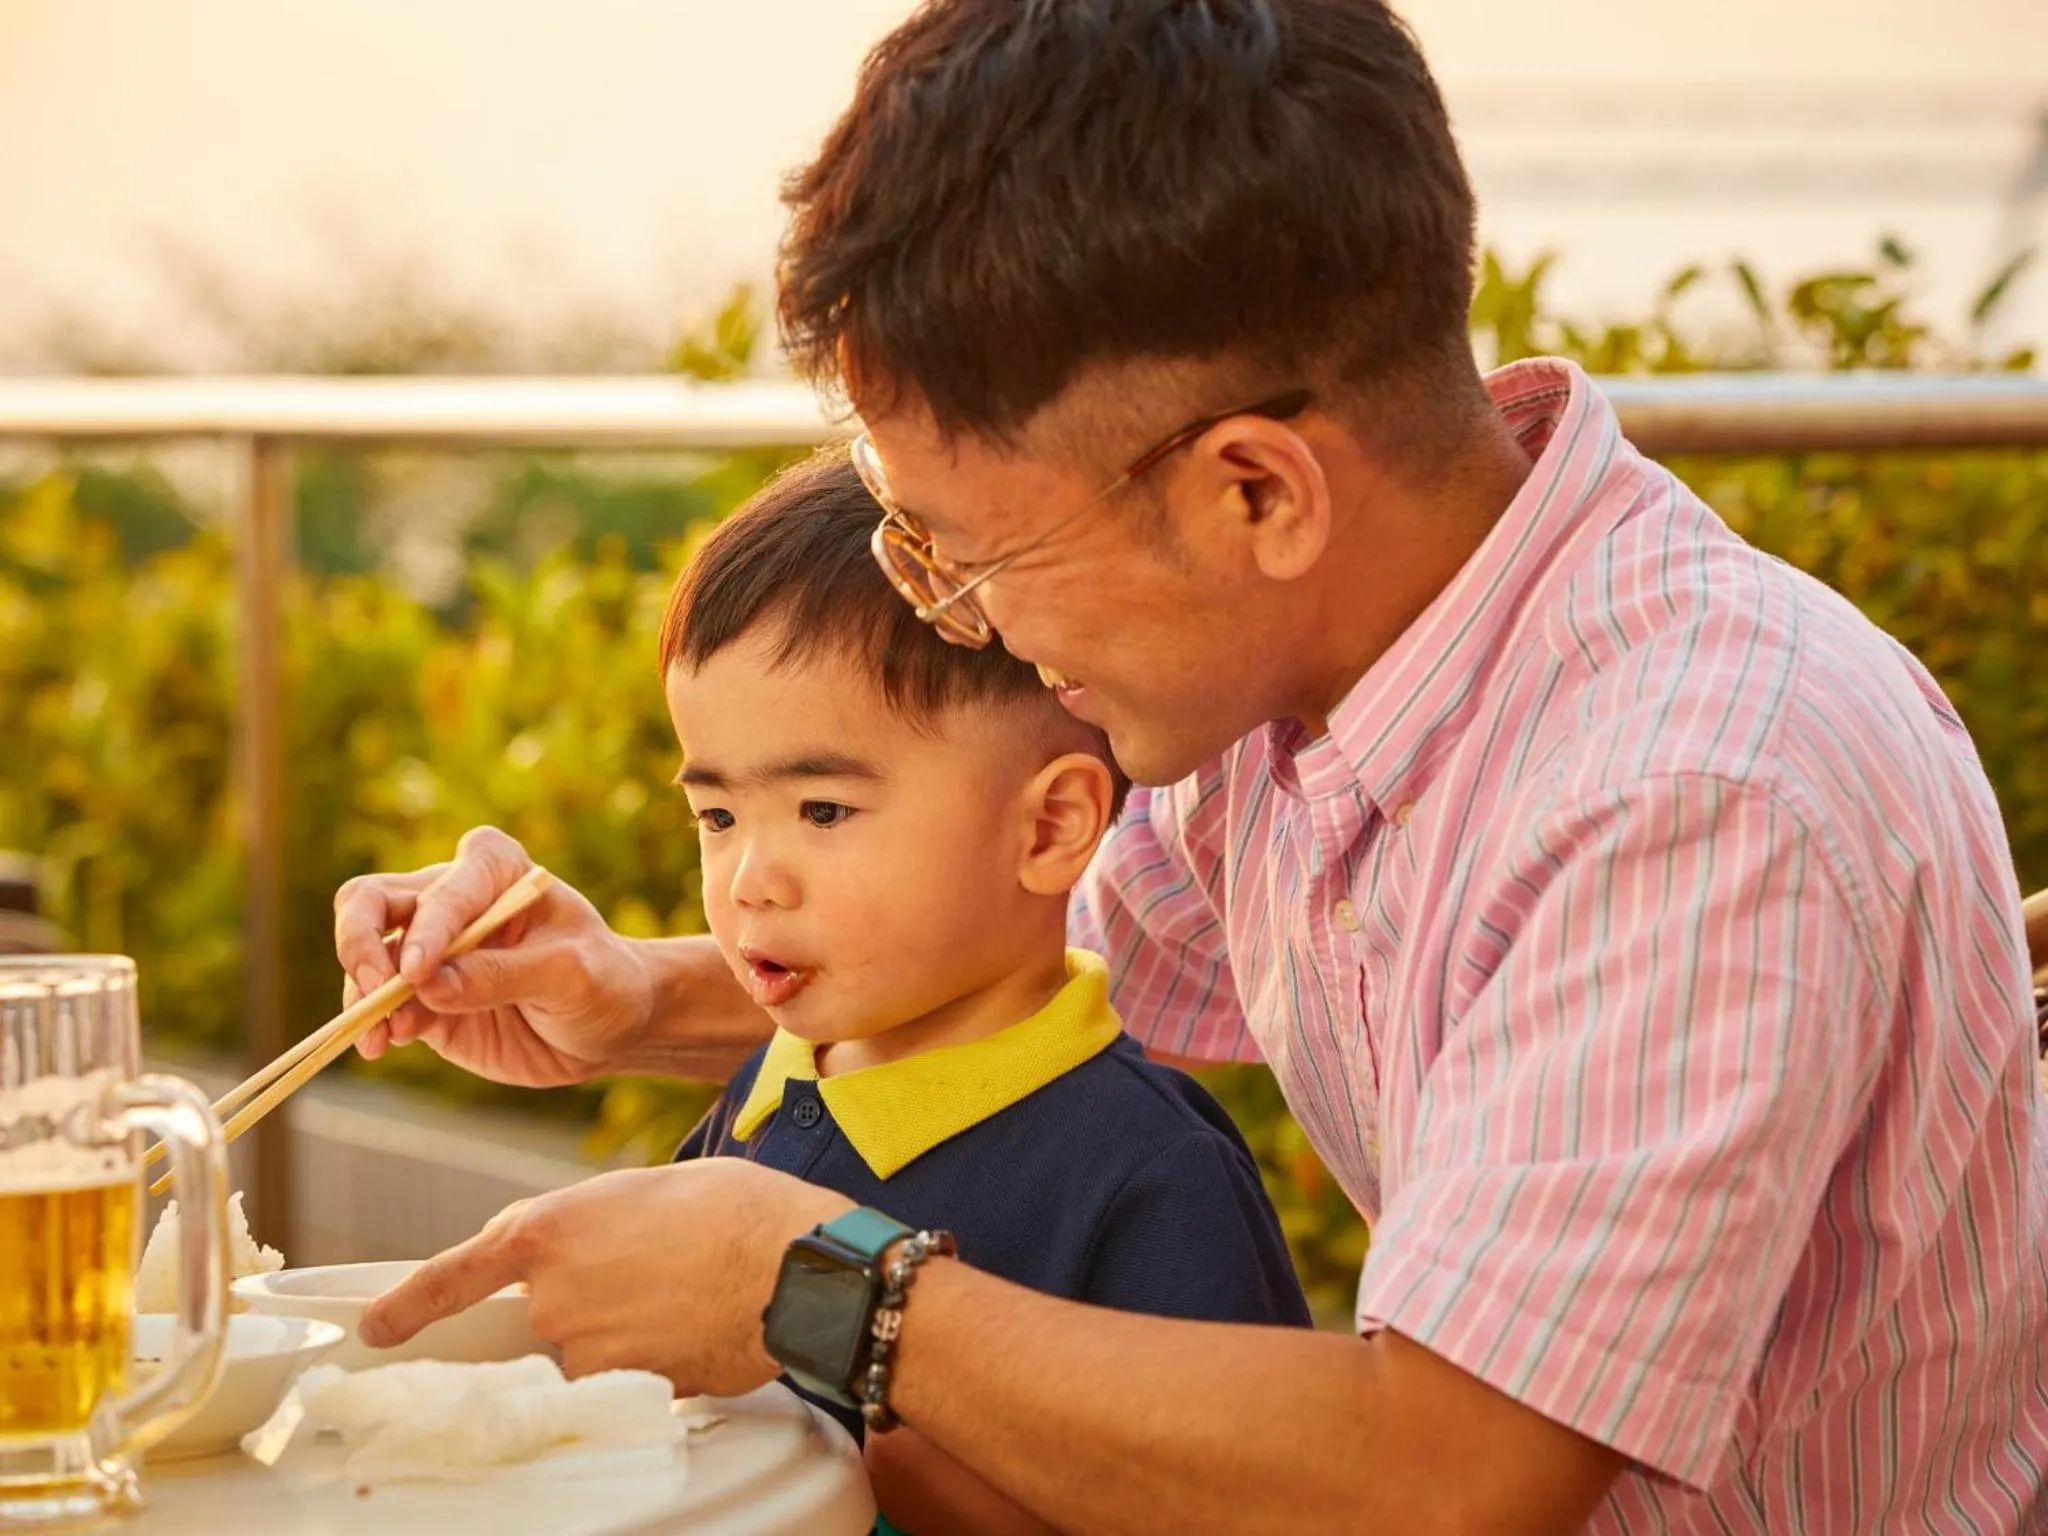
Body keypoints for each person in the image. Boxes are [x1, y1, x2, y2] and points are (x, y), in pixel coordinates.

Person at [335, 2, 2048, 1531]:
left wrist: (803, 1281)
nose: (979, 631)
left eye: (974, 561)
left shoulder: (1685, 791)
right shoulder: (1311, 677)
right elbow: (1040, 964)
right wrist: (630, 998)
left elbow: (1448, 1476)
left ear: (1254, 493)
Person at [660, 447, 1310, 1531]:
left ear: (1051, 826)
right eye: (717, 818)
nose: (746, 881)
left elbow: (1252, 1498)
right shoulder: (772, 1095)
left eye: (821, 811)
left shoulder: (1145, 1171)